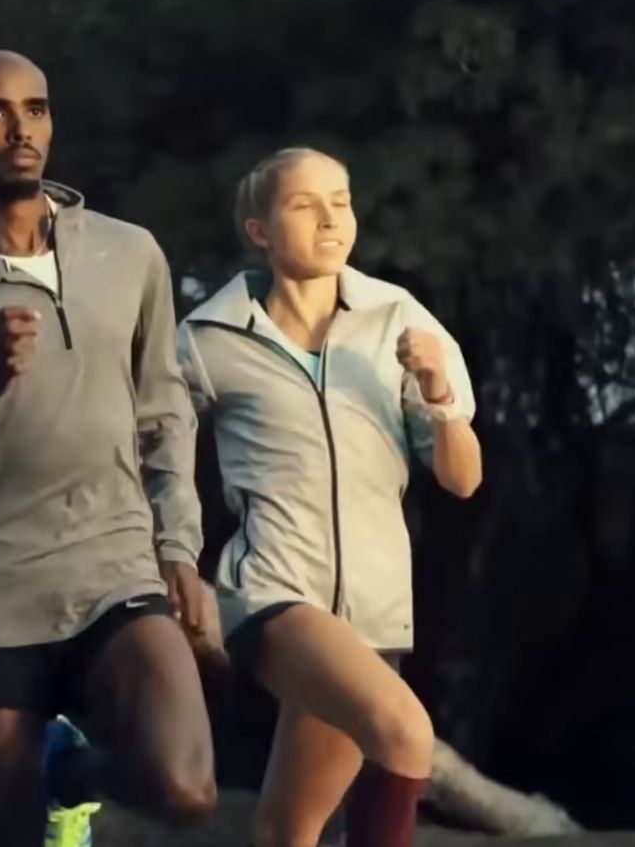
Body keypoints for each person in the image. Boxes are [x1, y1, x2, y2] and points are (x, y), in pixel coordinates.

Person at [0, 50, 217, 847]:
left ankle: (77, 772)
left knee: (186, 786)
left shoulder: (130, 254)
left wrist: (180, 545)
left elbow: (166, 412)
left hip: (116, 563)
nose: (22, 128)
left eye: (38, 108)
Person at [177, 147, 482, 847]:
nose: (330, 219)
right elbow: (147, 452)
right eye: (304, 205)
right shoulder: (206, 338)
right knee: (406, 733)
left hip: (374, 612)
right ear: (259, 229)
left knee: (288, 828)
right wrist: (172, 559)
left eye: (340, 201)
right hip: (273, 593)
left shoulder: (398, 318)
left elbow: (463, 478)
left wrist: (439, 393)